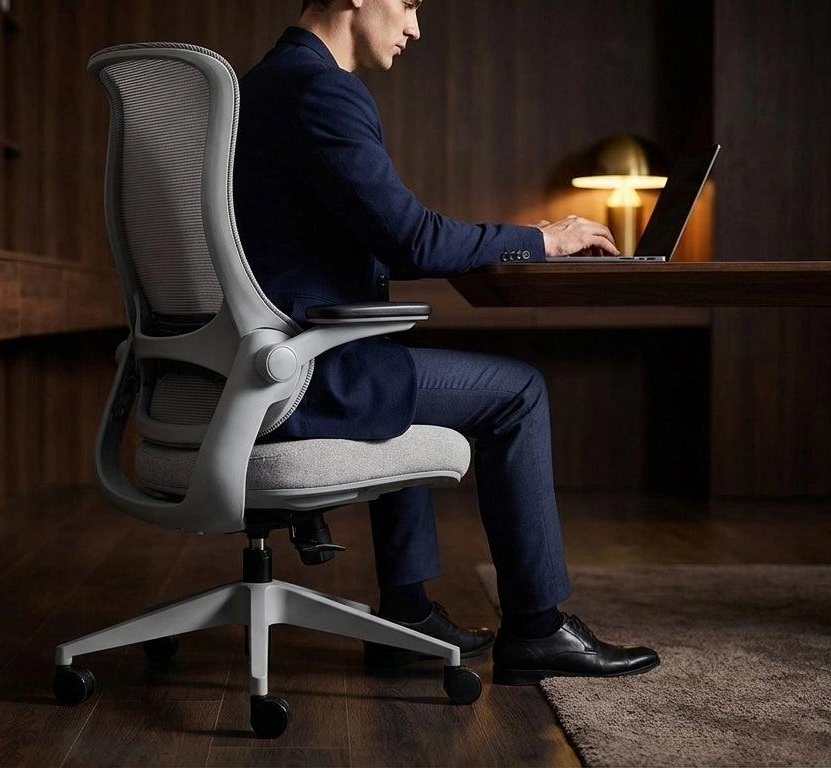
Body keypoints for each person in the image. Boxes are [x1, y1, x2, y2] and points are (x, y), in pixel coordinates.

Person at [232, 0, 660, 684]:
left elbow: (378, 236)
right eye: (408, 4)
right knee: (519, 393)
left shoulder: (262, 83)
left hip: (259, 364)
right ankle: (537, 630)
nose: (414, 27)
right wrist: (540, 240)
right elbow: (413, 239)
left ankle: (406, 617)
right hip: (304, 373)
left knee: (401, 369)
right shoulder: (320, 91)